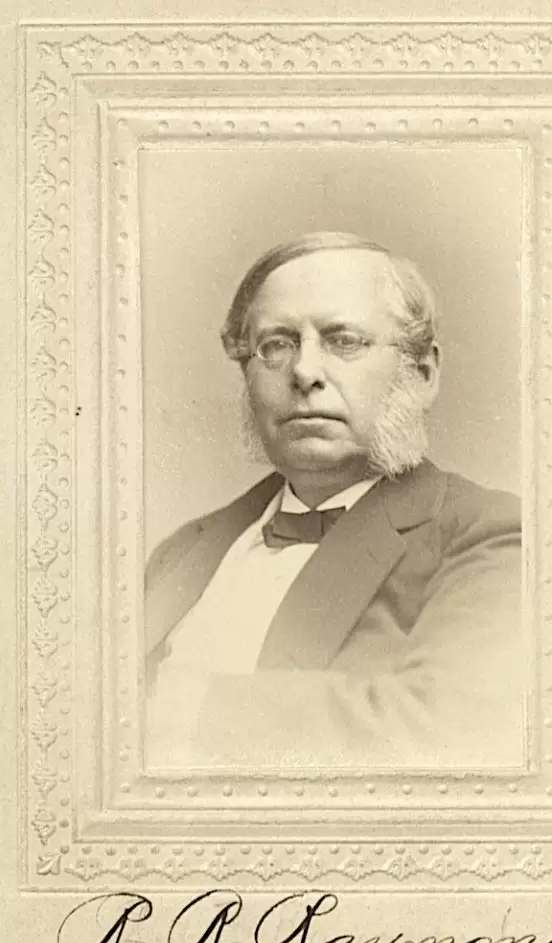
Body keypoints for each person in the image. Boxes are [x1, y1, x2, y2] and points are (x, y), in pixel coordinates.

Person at [145, 232, 523, 767]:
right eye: (276, 345)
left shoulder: (490, 536)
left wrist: (183, 712)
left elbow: (450, 728)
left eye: (344, 341)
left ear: (422, 373)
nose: (304, 372)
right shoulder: (183, 551)